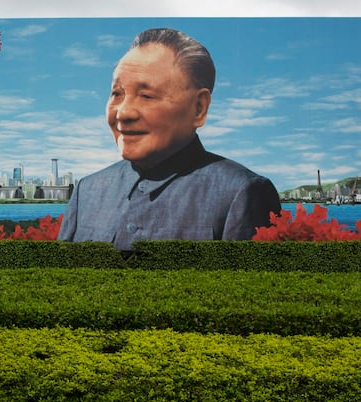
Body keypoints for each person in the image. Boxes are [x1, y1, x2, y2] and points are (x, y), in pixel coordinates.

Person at [57, 27, 281, 251]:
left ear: (198, 108)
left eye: (146, 96)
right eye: (117, 93)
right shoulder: (87, 190)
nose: (123, 113)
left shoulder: (242, 192)